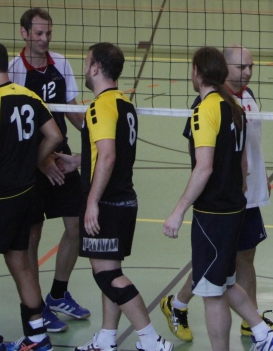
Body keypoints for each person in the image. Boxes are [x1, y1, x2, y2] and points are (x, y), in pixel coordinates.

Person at [162, 45, 273, 343]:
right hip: (226, 202)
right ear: (223, 69)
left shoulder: (233, 103)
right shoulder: (217, 106)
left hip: (227, 203)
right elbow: (211, 160)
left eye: (251, 66)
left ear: (196, 72)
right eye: (241, 67)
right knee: (220, 272)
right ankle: (256, 329)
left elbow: (221, 159)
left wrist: (179, 211)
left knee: (225, 273)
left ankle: (254, 327)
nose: (247, 72)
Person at [0, 42, 65, 351]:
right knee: (20, 263)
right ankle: (37, 337)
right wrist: (32, 161)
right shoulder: (29, 96)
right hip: (27, 194)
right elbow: (55, 135)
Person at [72, 42, 172, 351]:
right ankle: (107, 338)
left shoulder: (100, 105)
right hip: (124, 198)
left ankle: (150, 339)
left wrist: (91, 202)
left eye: (86, 62)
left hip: (107, 203)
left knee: (106, 276)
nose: (84, 68)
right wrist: (78, 159)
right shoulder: (124, 104)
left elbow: (108, 156)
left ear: (95, 68)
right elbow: (111, 151)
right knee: (111, 270)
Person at [9, 7, 90, 332]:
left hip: (61, 156)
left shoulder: (60, 64)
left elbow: (71, 110)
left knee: (77, 226)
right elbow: (11, 125)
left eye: (48, 33)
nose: (44, 39)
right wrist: (40, 161)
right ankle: (36, 306)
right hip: (29, 163)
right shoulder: (14, 70)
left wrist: (96, 134)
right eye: (39, 33)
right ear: (24, 33)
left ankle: (58, 294)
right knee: (33, 235)